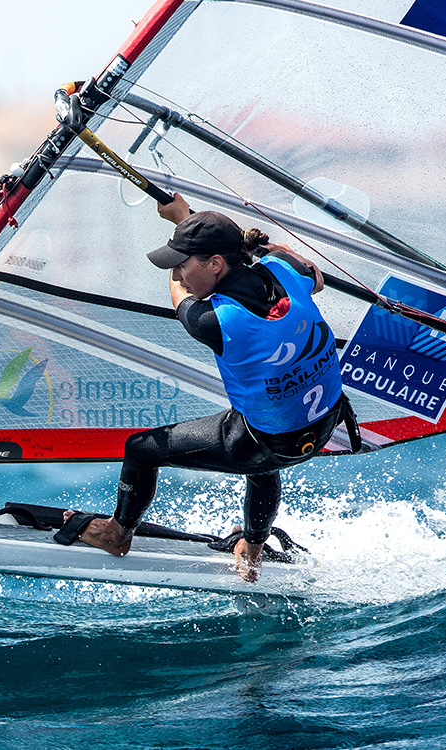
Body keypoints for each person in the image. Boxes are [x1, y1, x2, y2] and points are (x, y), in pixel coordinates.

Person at [67, 194, 357, 582]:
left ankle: (117, 533)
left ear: (216, 263)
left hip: (267, 441)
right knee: (261, 458)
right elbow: (314, 276)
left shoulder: (219, 320)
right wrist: (212, 231)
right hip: (324, 424)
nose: (181, 273)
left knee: (141, 448)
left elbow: (179, 296)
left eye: (184, 264)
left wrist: (180, 224)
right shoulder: (286, 271)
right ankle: (251, 550)